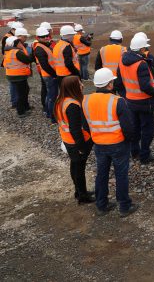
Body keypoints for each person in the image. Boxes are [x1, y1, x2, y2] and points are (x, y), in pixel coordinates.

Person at [83, 68, 138, 217]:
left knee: (101, 174)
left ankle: (101, 205)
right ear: (109, 84)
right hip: (118, 144)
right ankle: (124, 206)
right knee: (121, 175)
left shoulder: (86, 100)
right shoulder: (117, 101)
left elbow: (85, 125)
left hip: (99, 144)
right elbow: (128, 127)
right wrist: (129, 141)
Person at [116, 34, 154, 164]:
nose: (146, 50)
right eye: (144, 48)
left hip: (131, 101)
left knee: (135, 128)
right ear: (141, 49)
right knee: (148, 130)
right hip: (145, 102)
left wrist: (125, 95)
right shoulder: (141, 64)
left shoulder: (122, 60)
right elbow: (145, 86)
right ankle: (145, 155)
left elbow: (119, 82)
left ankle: (134, 152)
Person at [54, 75, 94, 204]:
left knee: (75, 166)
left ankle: (79, 192)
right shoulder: (72, 105)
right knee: (79, 170)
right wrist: (82, 147)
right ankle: (83, 196)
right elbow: (75, 130)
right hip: (76, 143)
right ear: (73, 87)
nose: (82, 85)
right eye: (79, 83)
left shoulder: (61, 101)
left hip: (68, 140)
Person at [4, 33, 33, 118]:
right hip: (18, 76)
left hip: (12, 75)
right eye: (19, 42)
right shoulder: (17, 52)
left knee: (25, 90)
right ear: (15, 44)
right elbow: (27, 60)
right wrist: (32, 53)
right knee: (22, 93)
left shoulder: (8, 51)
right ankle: (21, 112)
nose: (21, 44)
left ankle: (26, 107)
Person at [33, 26, 58, 123]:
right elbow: (45, 66)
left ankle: (48, 112)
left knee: (49, 95)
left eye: (47, 36)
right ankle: (53, 117)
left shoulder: (44, 46)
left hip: (49, 75)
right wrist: (55, 74)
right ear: (37, 38)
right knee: (52, 97)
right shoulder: (39, 49)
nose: (46, 38)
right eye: (43, 36)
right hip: (49, 76)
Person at [2, 21, 23, 109]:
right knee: (13, 84)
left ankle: (17, 101)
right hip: (10, 63)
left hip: (13, 62)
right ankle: (15, 102)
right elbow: (4, 51)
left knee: (16, 84)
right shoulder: (7, 37)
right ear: (13, 29)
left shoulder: (13, 36)